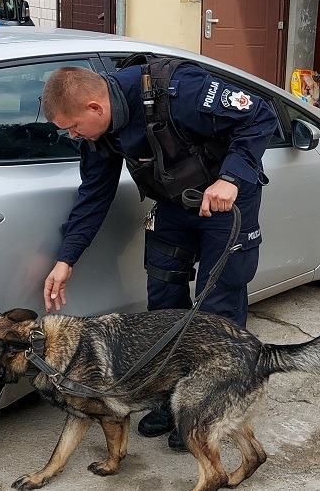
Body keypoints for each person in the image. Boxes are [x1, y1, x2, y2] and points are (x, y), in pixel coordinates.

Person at [40, 61, 278, 451]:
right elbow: (94, 195)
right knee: (163, 301)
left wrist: (231, 177)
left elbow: (260, 114)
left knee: (217, 306)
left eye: (72, 127)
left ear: (95, 108)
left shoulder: (179, 91)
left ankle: (208, 407)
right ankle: (171, 397)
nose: (72, 135)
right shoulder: (100, 135)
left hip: (225, 204)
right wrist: (67, 258)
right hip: (174, 205)